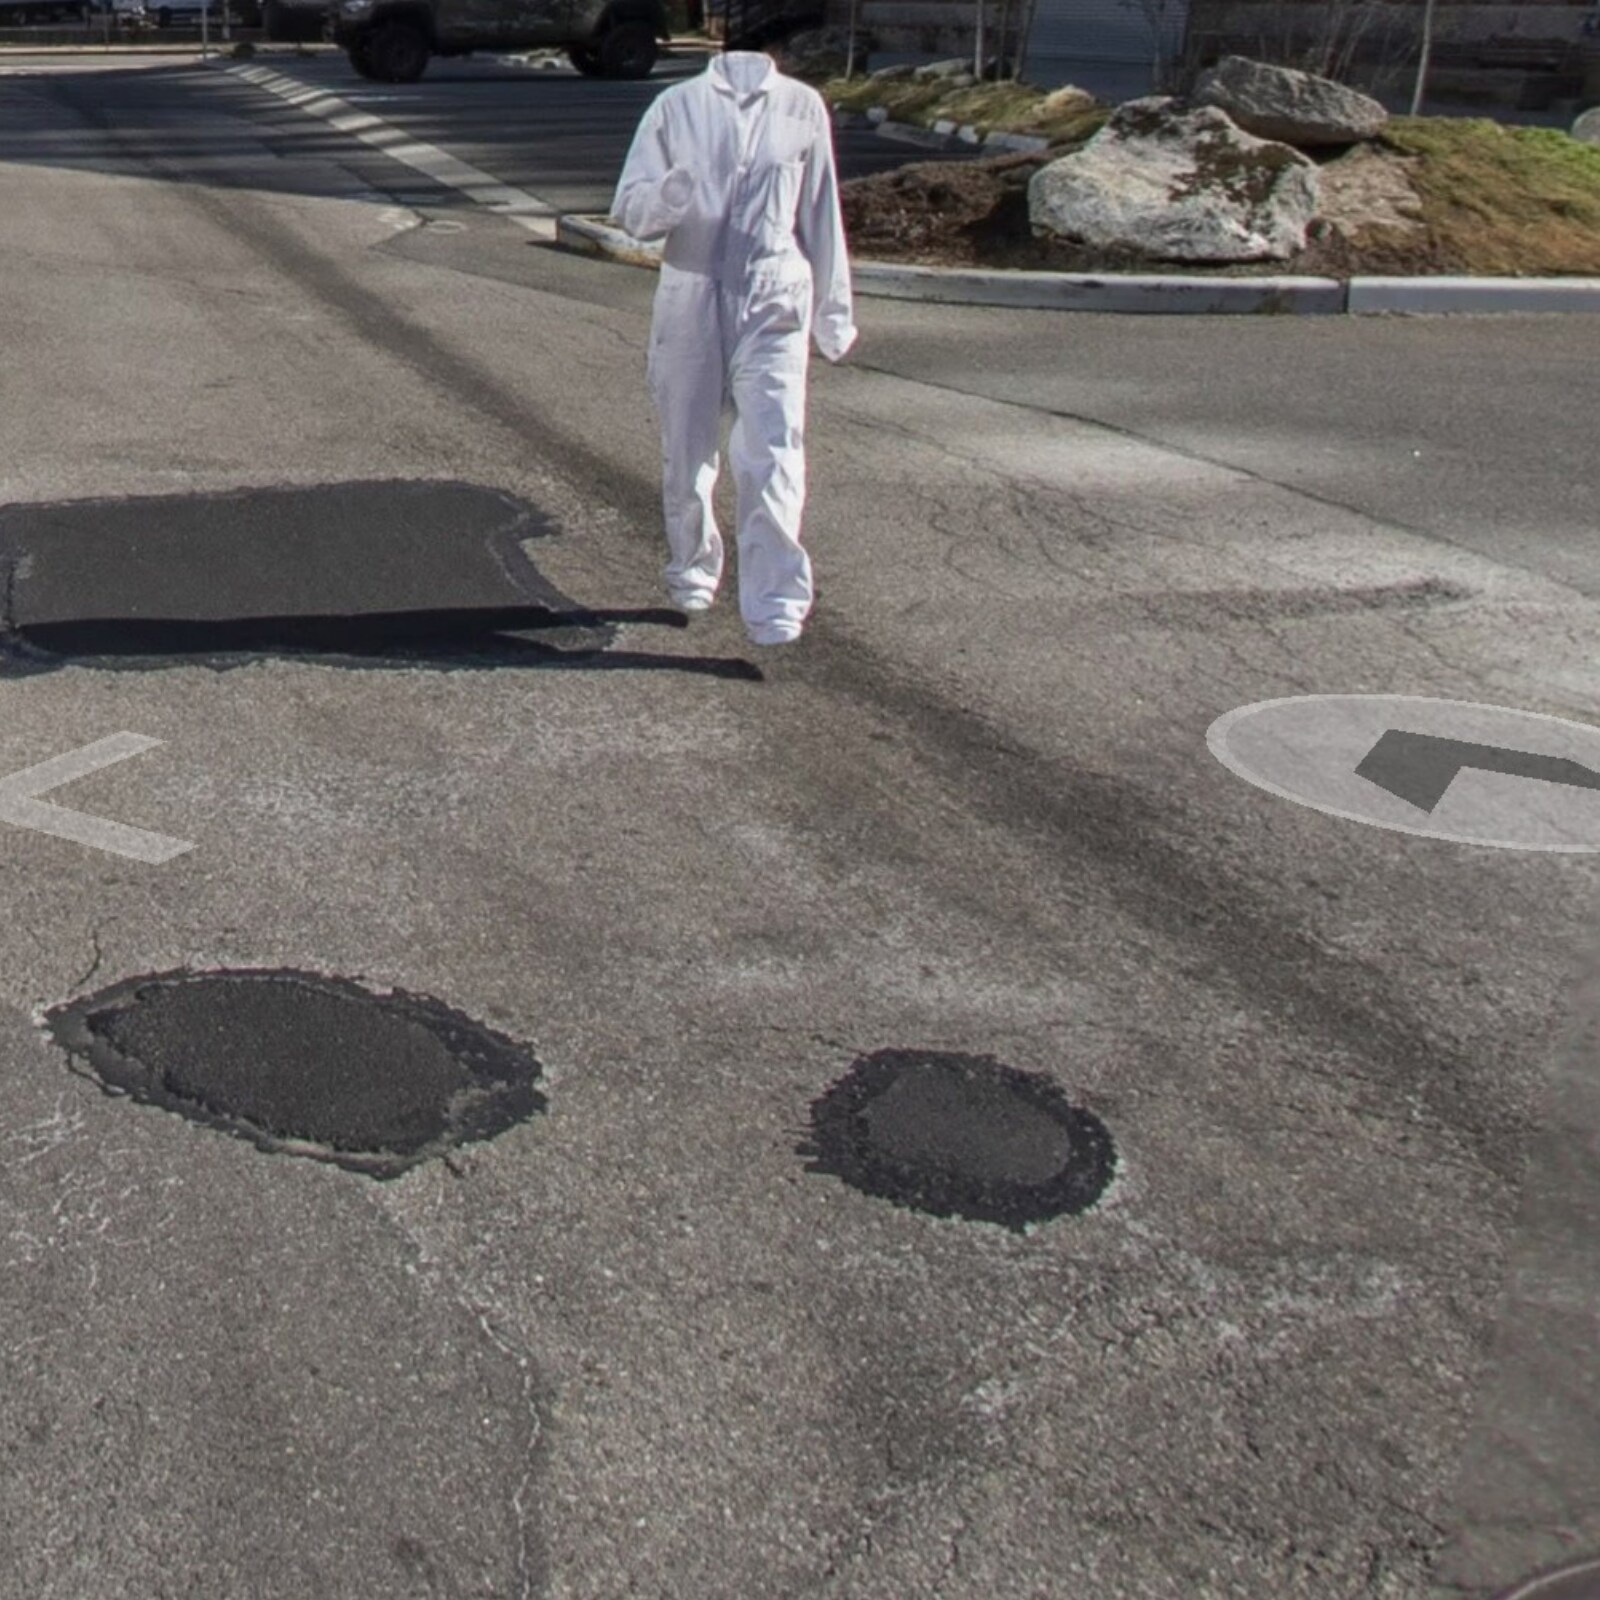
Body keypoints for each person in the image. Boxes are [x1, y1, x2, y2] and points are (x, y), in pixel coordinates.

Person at [611, 49, 856, 647]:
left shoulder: (802, 107)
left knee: (773, 447)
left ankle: (775, 598)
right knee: (688, 444)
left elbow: (821, 212)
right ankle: (692, 564)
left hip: (774, 294)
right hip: (691, 291)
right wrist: (668, 196)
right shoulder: (677, 107)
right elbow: (629, 210)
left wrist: (833, 309)